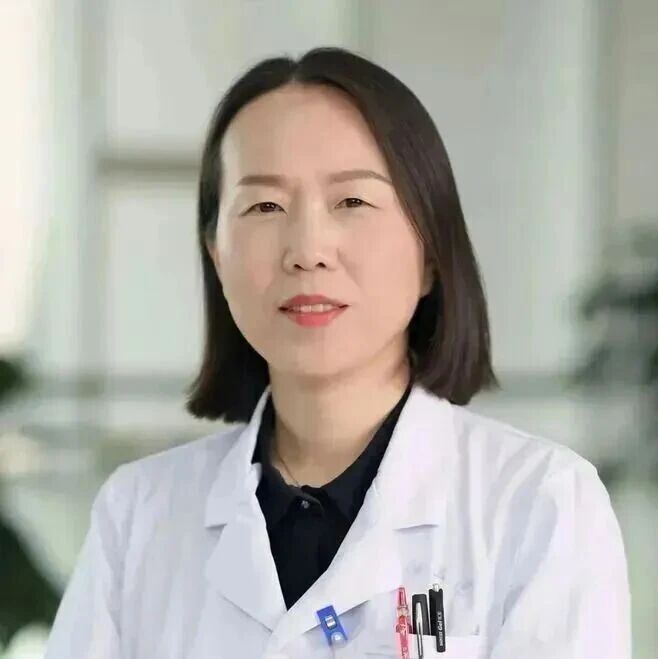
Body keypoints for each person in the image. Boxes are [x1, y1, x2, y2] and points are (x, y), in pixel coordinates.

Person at [44, 46, 631, 658]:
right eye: (265, 206)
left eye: (352, 202)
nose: (308, 250)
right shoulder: (138, 514)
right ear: (216, 254)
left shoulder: (540, 505)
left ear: (430, 252)